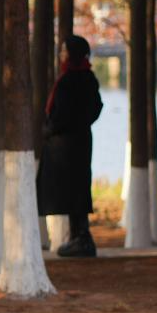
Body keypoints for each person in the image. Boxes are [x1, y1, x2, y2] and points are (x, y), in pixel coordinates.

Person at [37, 34, 104, 258]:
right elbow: (96, 107)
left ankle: (81, 237)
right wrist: (82, 124)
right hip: (81, 141)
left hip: (66, 146)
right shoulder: (88, 78)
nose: (61, 54)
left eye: (65, 51)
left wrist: (50, 129)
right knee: (77, 187)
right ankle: (79, 236)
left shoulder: (69, 81)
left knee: (72, 189)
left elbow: (63, 114)